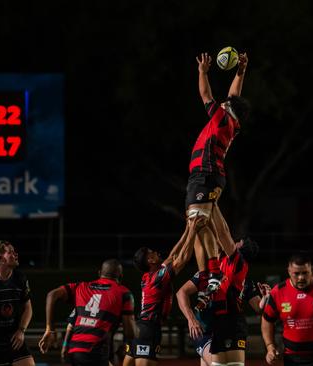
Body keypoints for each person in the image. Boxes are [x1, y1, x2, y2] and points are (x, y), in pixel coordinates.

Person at [184, 50, 250, 293]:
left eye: (226, 103)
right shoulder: (232, 121)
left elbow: (205, 95)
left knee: (198, 222)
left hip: (205, 174)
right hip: (211, 175)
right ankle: (230, 261)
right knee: (210, 220)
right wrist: (240, 72)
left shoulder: (221, 116)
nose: (223, 101)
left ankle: (213, 273)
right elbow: (234, 96)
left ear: (228, 108)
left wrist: (202, 72)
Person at [123, 217, 200, 366]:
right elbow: (183, 258)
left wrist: (187, 229)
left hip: (140, 326)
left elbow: (173, 256)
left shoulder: (149, 275)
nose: (157, 252)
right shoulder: (157, 278)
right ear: (150, 261)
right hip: (149, 329)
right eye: (152, 253)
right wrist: (194, 231)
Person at [39, 259, 137, 366]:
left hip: (74, 350)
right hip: (96, 351)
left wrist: (50, 329)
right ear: (121, 277)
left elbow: (51, 295)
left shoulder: (81, 287)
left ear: (99, 273)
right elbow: (130, 333)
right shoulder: (124, 293)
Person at [177, 271, 270, 366]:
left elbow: (258, 308)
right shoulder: (206, 273)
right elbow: (181, 293)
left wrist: (265, 298)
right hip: (205, 330)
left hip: (231, 330)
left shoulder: (244, 279)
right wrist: (191, 319)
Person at [261, 253, 313, 366]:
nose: (301, 277)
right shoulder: (278, 292)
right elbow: (267, 319)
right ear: (289, 271)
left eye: (305, 273)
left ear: (311, 270)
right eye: (296, 274)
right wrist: (270, 346)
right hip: (292, 359)